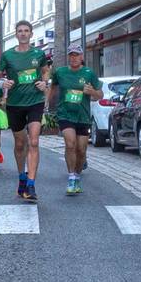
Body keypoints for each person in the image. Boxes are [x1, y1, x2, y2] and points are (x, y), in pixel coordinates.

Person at [0, 20, 50, 202]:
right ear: (15, 34)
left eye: (26, 31)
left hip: (35, 101)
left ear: (31, 34)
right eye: (20, 31)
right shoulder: (8, 56)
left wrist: (45, 83)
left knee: (34, 141)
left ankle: (31, 183)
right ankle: (21, 177)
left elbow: (45, 71)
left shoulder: (39, 53)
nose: (23, 34)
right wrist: (1, 83)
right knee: (20, 144)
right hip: (15, 103)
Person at [50, 44, 103, 195]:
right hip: (65, 114)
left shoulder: (89, 73)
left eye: (76, 55)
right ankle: (72, 178)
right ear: (68, 57)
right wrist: (47, 105)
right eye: (71, 55)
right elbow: (53, 88)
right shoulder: (60, 72)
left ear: (81, 57)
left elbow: (100, 95)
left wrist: (92, 91)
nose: (73, 58)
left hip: (83, 116)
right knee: (70, 143)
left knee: (81, 150)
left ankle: (78, 175)